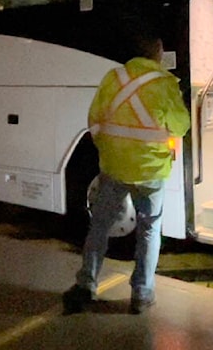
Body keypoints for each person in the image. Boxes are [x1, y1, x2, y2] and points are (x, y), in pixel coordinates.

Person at [62, 33, 190, 315]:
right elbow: (181, 125)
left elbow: (94, 119)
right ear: (158, 55)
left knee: (99, 226)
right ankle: (142, 294)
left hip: (114, 168)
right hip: (150, 172)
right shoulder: (165, 84)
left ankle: (85, 284)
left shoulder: (113, 78)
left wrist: (109, 149)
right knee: (149, 229)